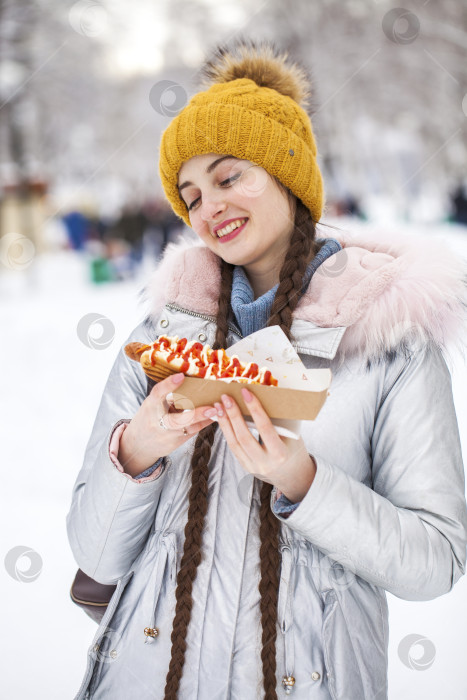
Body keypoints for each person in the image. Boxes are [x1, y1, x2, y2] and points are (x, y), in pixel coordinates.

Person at [67, 40, 467, 700]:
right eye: (190, 196)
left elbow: (434, 562)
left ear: (289, 174)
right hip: (144, 679)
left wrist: (300, 479)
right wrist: (138, 448)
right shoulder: (160, 337)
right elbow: (94, 556)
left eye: (229, 178)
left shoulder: (389, 339)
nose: (208, 209)